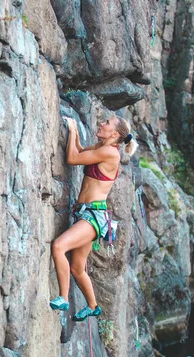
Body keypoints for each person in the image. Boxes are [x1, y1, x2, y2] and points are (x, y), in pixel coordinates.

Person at [49, 115, 138, 321]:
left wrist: (72, 130)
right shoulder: (101, 148)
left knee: (59, 247)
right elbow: (80, 151)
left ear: (114, 134)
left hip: (93, 217)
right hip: (89, 213)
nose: (101, 123)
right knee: (77, 268)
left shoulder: (109, 153)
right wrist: (76, 135)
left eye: (106, 123)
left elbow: (72, 158)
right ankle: (92, 306)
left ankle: (63, 298)